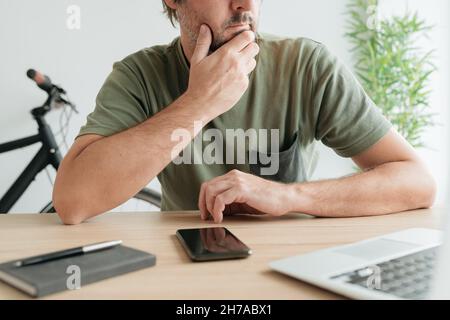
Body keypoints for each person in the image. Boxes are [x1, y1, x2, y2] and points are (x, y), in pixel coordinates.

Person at [53, 0, 436, 225]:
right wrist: (197, 104)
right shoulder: (140, 75)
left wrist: (290, 196)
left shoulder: (306, 65)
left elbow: (417, 182)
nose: (245, 5)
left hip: (287, 268)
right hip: (183, 269)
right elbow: (73, 201)